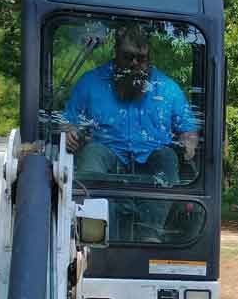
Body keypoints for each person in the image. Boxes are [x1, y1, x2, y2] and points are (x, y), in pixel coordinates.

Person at [63, 25, 199, 233]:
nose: (135, 63)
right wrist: (70, 131)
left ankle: (150, 235)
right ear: (115, 53)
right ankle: (93, 234)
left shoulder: (168, 89)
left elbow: (188, 129)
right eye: (128, 57)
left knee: (168, 157)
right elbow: (67, 121)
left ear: (148, 58)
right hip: (107, 157)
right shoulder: (90, 82)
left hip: (151, 162)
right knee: (92, 154)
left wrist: (188, 143)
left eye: (141, 58)